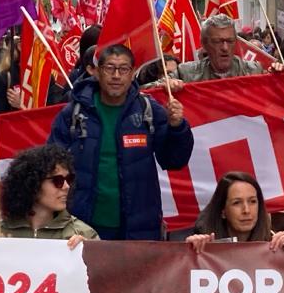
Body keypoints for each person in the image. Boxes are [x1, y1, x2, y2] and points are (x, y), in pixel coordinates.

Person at [48, 43, 194, 239]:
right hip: (82, 227)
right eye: (109, 68)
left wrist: (177, 127)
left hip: (138, 228)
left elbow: (174, 161)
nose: (116, 75)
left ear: (132, 73)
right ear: (97, 72)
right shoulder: (73, 113)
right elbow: (51, 166)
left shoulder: (148, 110)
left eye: (123, 69)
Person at [0, 144, 99, 245]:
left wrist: (89, 254)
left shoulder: (83, 233)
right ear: (32, 183)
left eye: (69, 179)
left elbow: (102, 267)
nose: (66, 186)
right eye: (57, 180)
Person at [187, 172, 284, 249]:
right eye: (237, 203)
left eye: (252, 201)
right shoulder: (206, 246)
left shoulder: (276, 244)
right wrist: (188, 252)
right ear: (223, 211)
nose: (246, 210)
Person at [180, 14, 265, 80]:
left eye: (230, 41)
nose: (225, 48)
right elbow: (167, 82)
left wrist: (277, 75)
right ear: (204, 44)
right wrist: (169, 83)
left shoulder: (253, 71)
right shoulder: (186, 74)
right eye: (217, 41)